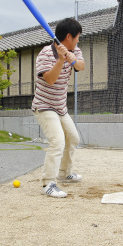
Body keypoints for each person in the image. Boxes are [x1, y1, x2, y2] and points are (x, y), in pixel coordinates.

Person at [32, 18, 86, 198]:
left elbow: (81, 66)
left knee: (73, 138)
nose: (79, 40)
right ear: (69, 37)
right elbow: (50, 79)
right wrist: (61, 60)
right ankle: (48, 183)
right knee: (57, 141)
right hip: (44, 106)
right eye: (77, 37)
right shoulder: (46, 54)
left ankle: (64, 173)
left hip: (60, 107)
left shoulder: (74, 49)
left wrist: (72, 60)